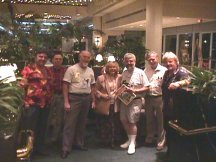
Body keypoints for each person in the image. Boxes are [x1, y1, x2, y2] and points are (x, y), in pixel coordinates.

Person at [61, 50, 95, 159]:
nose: (86, 59)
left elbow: (93, 86)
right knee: (69, 124)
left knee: (82, 122)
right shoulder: (71, 69)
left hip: (86, 98)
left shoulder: (90, 70)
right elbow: (65, 85)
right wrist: (66, 102)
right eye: (84, 57)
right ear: (79, 57)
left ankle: (79, 143)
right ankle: (66, 148)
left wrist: (93, 100)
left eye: (88, 57)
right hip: (74, 98)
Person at [20, 49, 52, 155]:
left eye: (44, 57)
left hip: (45, 104)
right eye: (40, 56)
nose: (42, 59)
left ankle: (40, 149)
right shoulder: (28, 69)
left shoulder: (48, 71)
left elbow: (49, 86)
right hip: (32, 103)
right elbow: (22, 86)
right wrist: (24, 101)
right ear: (36, 57)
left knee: (42, 127)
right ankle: (28, 151)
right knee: (30, 128)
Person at [119, 53, 149, 155]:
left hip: (136, 100)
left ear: (135, 61)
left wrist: (135, 90)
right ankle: (130, 139)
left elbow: (147, 87)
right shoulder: (123, 72)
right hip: (125, 100)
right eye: (127, 60)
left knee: (132, 122)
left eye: (131, 61)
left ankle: (132, 143)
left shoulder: (140, 72)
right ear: (124, 61)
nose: (129, 62)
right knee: (123, 119)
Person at [161, 52, 190, 157]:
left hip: (178, 108)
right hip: (167, 107)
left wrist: (178, 83)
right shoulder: (166, 73)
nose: (168, 64)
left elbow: (188, 80)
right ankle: (170, 152)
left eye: (170, 61)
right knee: (167, 130)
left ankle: (177, 155)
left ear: (176, 62)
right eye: (166, 62)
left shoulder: (181, 72)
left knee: (176, 132)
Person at [94, 61, 123, 148]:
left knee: (116, 122)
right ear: (107, 68)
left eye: (114, 67)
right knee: (105, 123)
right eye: (110, 67)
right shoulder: (101, 78)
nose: (112, 69)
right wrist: (102, 95)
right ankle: (105, 141)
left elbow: (124, 88)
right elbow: (95, 90)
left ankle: (115, 141)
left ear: (117, 68)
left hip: (117, 103)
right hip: (105, 104)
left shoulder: (121, 77)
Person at [144, 51, 167, 151]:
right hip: (148, 98)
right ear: (147, 60)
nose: (152, 61)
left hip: (160, 98)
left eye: (153, 59)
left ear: (157, 58)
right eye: (150, 59)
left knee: (160, 120)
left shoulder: (164, 70)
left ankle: (161, 140)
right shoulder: (145, 70)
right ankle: (150, 137)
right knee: (149, 119)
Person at [46, 51, 67, 144]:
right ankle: (45, 138)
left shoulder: (66, 70)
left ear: (62, 60)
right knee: (48, 117)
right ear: (52, 60)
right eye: (56, 59)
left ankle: (55, 138)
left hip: (61, 95)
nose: (58, 61)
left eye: (60, 59)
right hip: (50, 95)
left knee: (60, 118)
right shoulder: (47, 70)